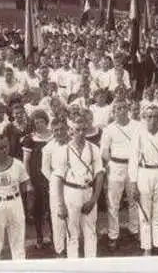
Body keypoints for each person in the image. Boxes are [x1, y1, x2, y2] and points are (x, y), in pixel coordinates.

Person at [55, 116, 105, 258]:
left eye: (84, 129)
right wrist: (61, 205)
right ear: (71, 131)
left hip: (88, 191)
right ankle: (73, 264)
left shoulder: (94, 149)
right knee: (72, 232)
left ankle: (90, 264)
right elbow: (59, 179)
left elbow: (99, 175)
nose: (81, 133)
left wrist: (93, 200)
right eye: (77, 130)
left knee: (90, 231)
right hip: (71, 192)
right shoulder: (64, 150)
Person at [128, 105, 158, 256]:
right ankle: (147, 247)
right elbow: (133, 160)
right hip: (144, 173)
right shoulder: (139, 134)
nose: (153, 120)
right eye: (149, 117)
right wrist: (133, 184)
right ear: (144, 118)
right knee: (145, 212)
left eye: (156, 116)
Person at [100, 99, 140, 250]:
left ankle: (134, 229)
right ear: (114, 111)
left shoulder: (137, 126)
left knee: (134, 200)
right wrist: (111, 164)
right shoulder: (109, 129)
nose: (122, 111)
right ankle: (113, 235)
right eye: (118, 108)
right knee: (113, 203)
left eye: (124, 107)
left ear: (128, 109)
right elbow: (104, 151)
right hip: (116, 166)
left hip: (133, 166)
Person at [21, 110, 53, 249]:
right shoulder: (30, 139)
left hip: (52, 177)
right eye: (36, 122)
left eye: (41, 121)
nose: (39, 124)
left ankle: (54, 235)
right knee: (38, 209)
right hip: (36, 179)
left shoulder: (54, 136)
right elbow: (26, 162)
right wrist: (28, 182)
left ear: (46, 121)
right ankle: (39, 237)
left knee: (53, 207)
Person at [40, 118, 70, 257]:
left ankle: (72, 246)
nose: (59, 132)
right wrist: (56, 180)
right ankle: (60, 249)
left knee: (73, 216)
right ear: (52, 132)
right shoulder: (48, 148)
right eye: (55, 130)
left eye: (61, 129)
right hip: (56, 185)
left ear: (66, 129)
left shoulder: (74, 143)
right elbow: (45, 169)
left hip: (74, 184)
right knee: (57, 218)